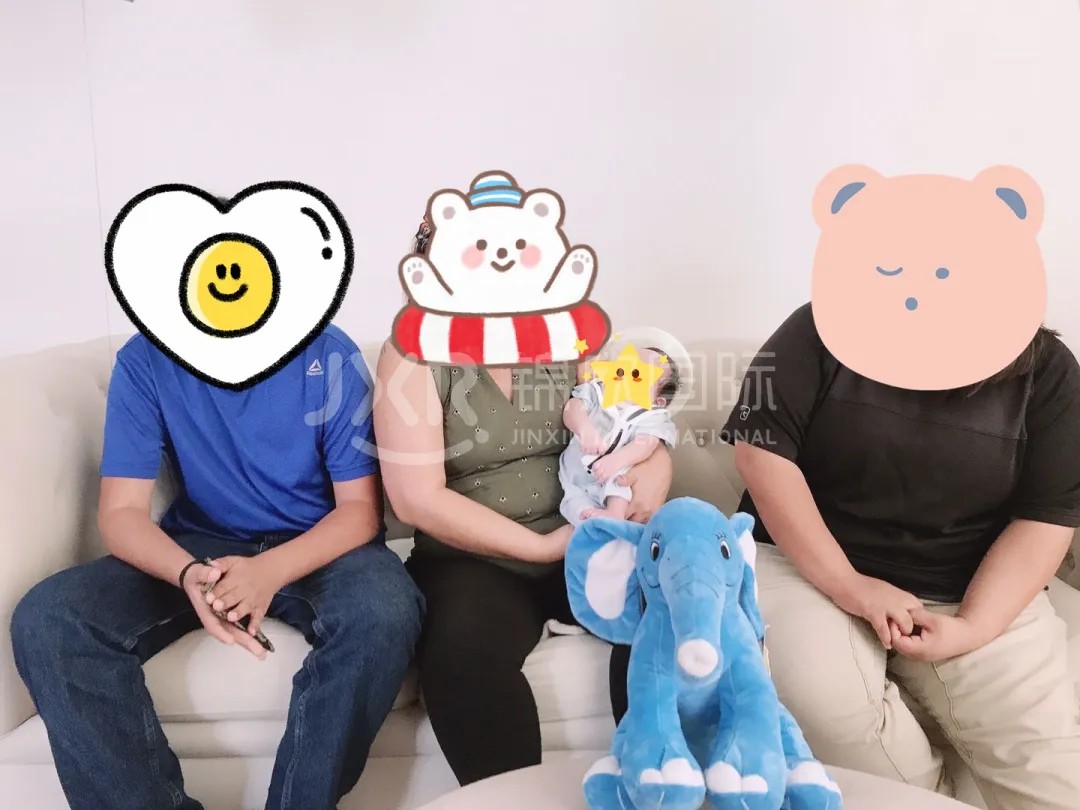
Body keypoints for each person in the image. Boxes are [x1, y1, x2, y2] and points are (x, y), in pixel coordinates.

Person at [10, 324, 425, 810]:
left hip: (322, 544)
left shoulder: (329, 353)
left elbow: (359, 511)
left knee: (385, 610)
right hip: (200, 544)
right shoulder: (146, 358)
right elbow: (120, 513)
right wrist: (188, 573)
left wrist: (267, 572)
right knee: (50, 618)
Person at [723, 302, 1080, 810]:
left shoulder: (1049, 370)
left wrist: (974, 627)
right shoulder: (817, 327)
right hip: (807, 564)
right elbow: (759, 453)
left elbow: (1047, 515)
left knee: (1051, 774)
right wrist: (849, 585)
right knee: (822, 700)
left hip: (972, 584)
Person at [373, 225, 672, 787]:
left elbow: (632, 419)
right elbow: (415, 498)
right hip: (473, 560)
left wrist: (656, 467)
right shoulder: (413, 353)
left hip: (586, 535)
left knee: (671, 610)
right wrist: (543, 547)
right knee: (462, 658)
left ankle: (658, 786)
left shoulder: (567, 333)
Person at [559, 347, 680, 523]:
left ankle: (615, 513)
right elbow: (572, 408)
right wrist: (584, 428)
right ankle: (588, 526)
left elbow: (646, 444)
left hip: (614, 471)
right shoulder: (597, 391)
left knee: (622, 477)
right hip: (573, 473)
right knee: (573, 502)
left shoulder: (650, 416)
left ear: (658, 401)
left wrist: (616, 461)